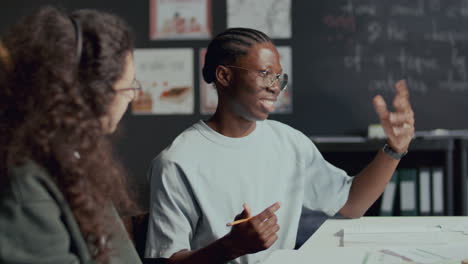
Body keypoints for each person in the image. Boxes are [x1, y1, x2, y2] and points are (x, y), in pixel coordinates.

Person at [145, 28, 415, 264]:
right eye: (264, 74)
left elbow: (351, 205)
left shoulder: (289, 142)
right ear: (224, 76)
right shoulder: (177, 162)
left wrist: (394, 149)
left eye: (279, 78)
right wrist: (229, 247)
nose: (275, 87)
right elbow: (164, 261)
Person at [0, 6, 143, 264]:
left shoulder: (71, 157)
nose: (132, 96)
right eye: (128, 87)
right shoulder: (24, 183)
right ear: (94, 94)